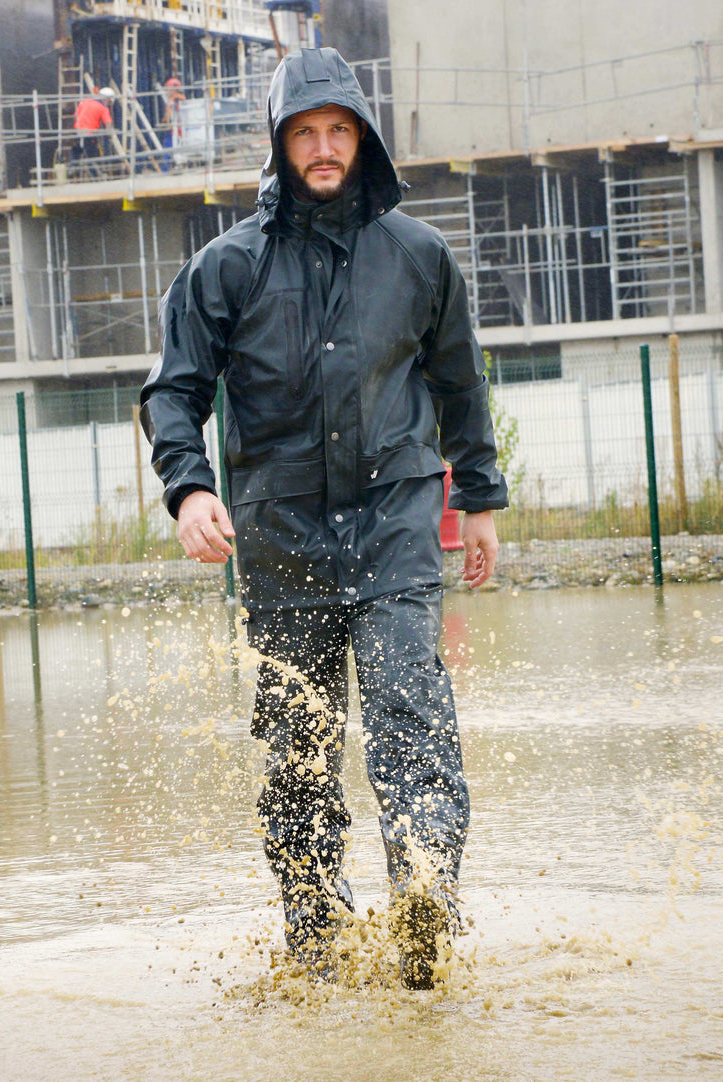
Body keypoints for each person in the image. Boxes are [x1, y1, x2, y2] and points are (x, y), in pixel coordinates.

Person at [140, 47, 508, 989]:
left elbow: (461, 384)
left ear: (363, 137)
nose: (323, 147)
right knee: (298, 752)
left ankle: (423, 917)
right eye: (304, 132)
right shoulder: (225, 269)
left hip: (396, 523)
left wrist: (480, 501)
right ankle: (317, 939)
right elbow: (173, 393)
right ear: (279, 143)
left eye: (338, 129)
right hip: (281, 539)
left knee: (409, 716)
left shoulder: (420, 257)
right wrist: (189, 489)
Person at [72, 87, 115, 173]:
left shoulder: (85, 101)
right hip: (89, 133)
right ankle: (95, 175)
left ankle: (72, 168)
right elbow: (108, 124)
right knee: (91, 155)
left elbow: (75, 116)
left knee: (77, 151)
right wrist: (110, 135)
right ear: (107, 99)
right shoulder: (103, 108)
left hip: (77, 131)